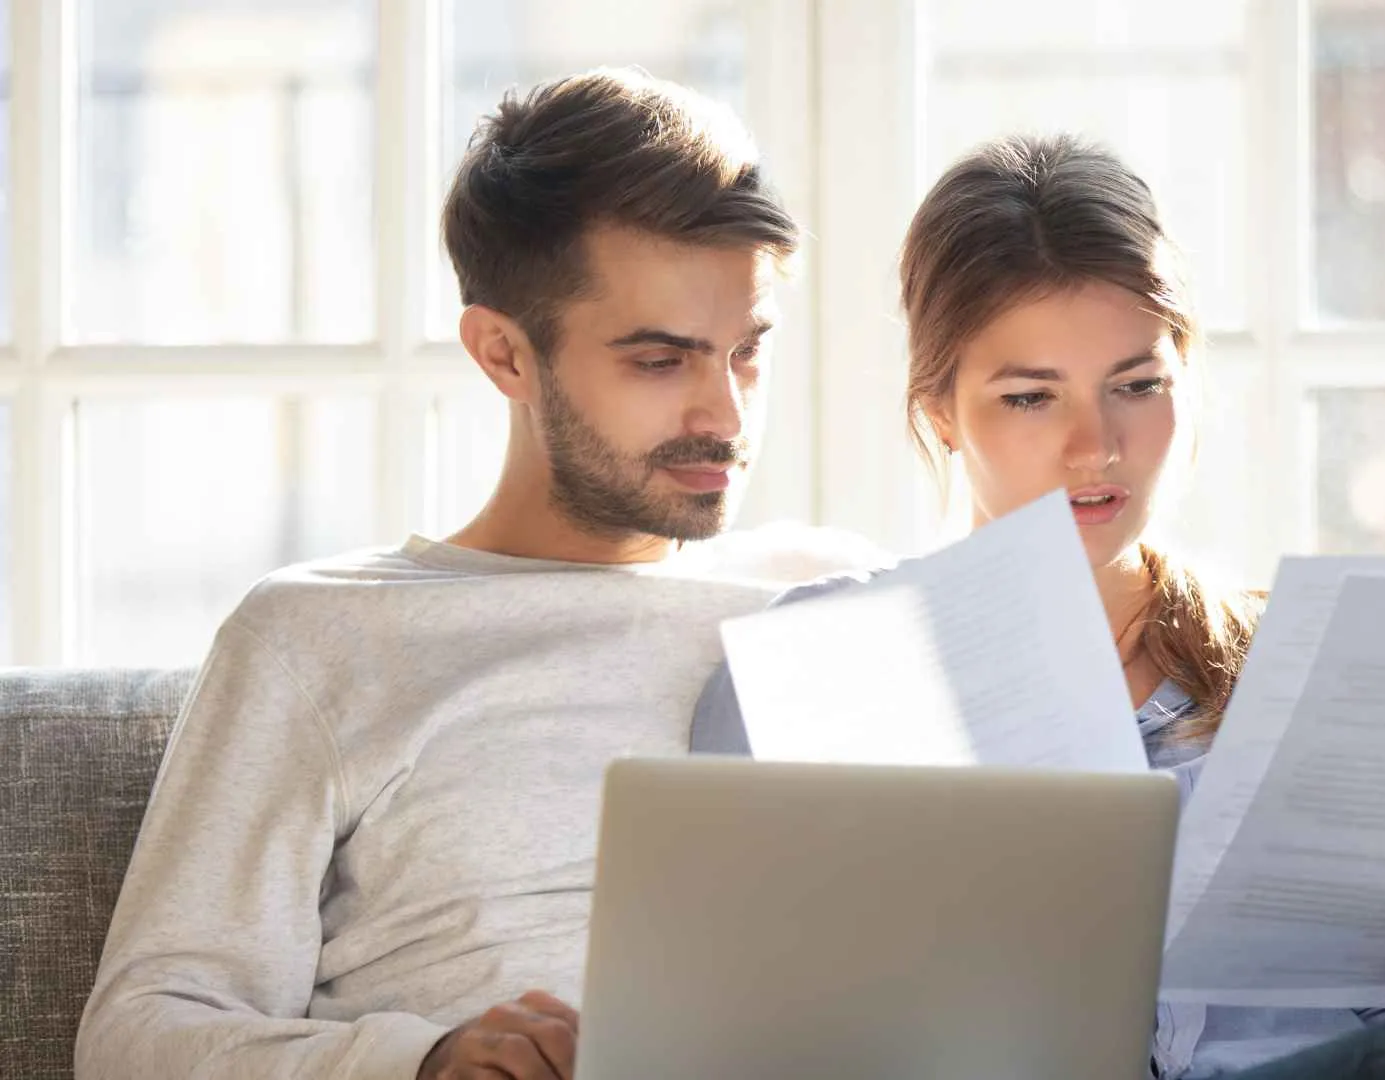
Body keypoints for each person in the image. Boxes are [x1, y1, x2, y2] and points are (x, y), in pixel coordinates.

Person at [691, 134, 1385, 1080]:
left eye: (1137, 386)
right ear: (941, 413)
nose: (1096, 447)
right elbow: (727, 1021)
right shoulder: (812, 671)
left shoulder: (1308, 668)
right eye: (1031, 397)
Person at [73, 70, 882, 1080]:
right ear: (504, 353)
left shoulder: (842, 606)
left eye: (747, 353)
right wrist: (429, 1062)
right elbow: (139, 1035)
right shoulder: (316, 638)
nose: (725, 415)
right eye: (660, 361)